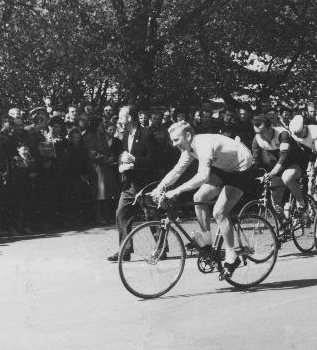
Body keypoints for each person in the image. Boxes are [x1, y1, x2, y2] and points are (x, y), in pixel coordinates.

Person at [149, 122, 258, 278]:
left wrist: (176, 191)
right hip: (224, 168)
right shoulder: (189, 149)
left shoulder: (203, 144)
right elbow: (176, 171)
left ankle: (232, 257)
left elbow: (202, 176)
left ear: (187, 136)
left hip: (242, 168)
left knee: (219, 212)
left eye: (176, 140)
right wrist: (160, 187)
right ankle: (207, 243)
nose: (174, 144)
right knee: (199, 198)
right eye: (172, 141)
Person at [108, 106, 160, 262]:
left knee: (151, 215)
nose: (119, 120)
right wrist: (123, 165)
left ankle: (161, 248)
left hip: (145, 183)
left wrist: (135, 161)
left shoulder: (147, 135)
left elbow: (154, 160)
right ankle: (125, 250)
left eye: (121, 117)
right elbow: (125, 157)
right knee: (121, 214)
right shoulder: (125, 136)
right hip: (130, 183)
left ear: (129, 118)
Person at [251, 114, 311, 221]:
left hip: (295, 162)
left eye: (262, 132)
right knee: (275, 204)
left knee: (287, 177)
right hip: (277, 168)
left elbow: (284, 156)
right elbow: (255, 161)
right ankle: (284, 225)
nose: (260, 136)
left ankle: (302, 204)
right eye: (257, 133)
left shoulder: (282, 134)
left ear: (270, 128)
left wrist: (273, 172)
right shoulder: (257, 139)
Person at [84, 116, 119, 225]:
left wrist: (111, 158)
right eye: (100, 125)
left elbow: (107, 150)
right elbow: (92, 153)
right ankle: (98, 216)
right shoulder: (89, 137)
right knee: (99, 192)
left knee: (107, 192)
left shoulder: (103, 136)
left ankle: (106, 215)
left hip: (106, 167)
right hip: (97, 167)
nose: (102, 127)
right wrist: (107, 160)